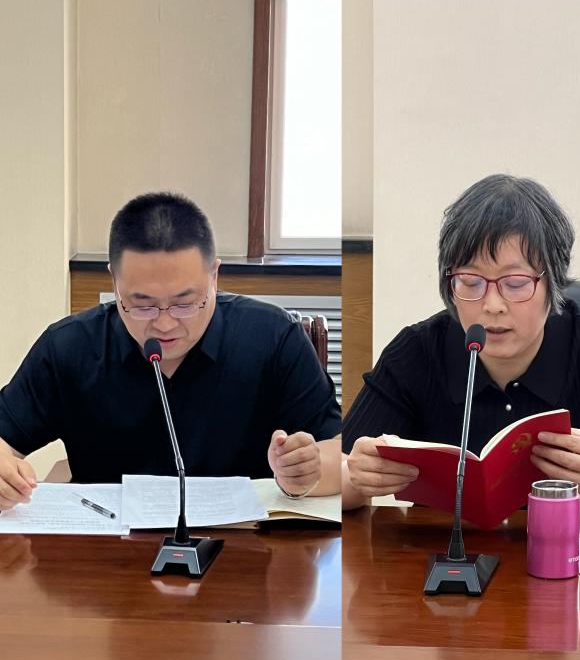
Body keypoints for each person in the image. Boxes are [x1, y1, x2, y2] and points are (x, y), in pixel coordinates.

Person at [342, 174, 580, 515]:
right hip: (442, 547)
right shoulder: (416, 352)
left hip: (571, 547)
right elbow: (340, 471)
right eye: (471, 281)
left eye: (515, 283)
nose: (492, 305)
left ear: (552, 281)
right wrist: (356, 477)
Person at [0, 192, 341, 510]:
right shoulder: (69, 347)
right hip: (108, 544)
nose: (164, 325)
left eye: (185, 303)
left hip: (247, 542)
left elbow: (338, 453)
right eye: (142, 305)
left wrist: (307, 471)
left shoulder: (273, 338)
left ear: (214, 276)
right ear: (114, 281)